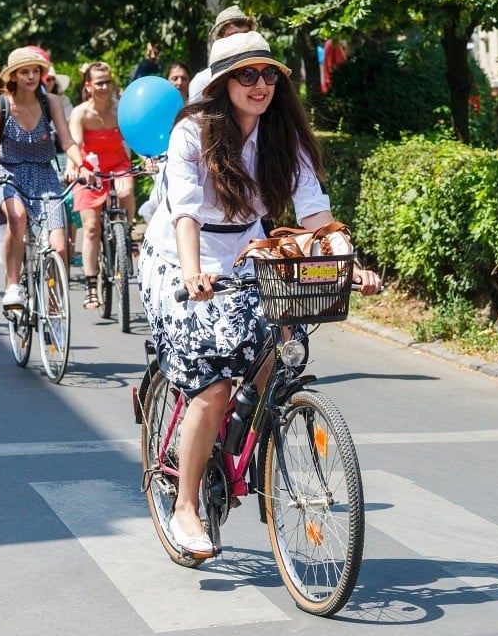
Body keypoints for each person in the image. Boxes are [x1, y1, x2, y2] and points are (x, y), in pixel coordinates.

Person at [138, 31, 381, 557]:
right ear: (224, 83)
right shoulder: (192, 133)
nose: (260, 85)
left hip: (247, 251)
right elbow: (184, 213)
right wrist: (191, 273)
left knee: (281, 336)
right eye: (246, 75)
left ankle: (247, 424)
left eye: (269, 74)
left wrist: (351, 264)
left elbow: (315, 213)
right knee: (214, 385)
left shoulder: (281, 135)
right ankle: (185, 507)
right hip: (178, 256)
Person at [0, 47, 90, 309]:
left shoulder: (49, 102)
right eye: (24, 71)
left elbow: (66, 140)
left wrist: (83, 165)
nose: (31, 76)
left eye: (35, 71)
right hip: (9, 174)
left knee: (60, 245)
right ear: (13, 76)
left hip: (44, 174)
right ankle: (12, 285)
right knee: (16, 219)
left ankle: (54, 302)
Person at [66, 61, 134, 310]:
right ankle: (91, 286)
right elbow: (74, 142)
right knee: (92, 227)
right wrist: (75, 167)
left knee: (126, 190)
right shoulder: (81, 113)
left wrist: (148, 156)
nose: (105, 86)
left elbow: (133, 136)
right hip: (89, 169)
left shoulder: (120, 110)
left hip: (117, 164)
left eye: (108, 81)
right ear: (89, 86)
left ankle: (125, 235)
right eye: (99, 82)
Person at [188, 6, 257, 103]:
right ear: (219, 40)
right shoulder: (203, 81)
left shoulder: (263, 76)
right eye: (233, 35)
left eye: (245, 35)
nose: (241, 40)